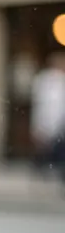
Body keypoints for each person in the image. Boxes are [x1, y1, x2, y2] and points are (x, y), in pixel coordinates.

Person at [30, 52, 65, 180]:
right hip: (47, 119)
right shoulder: (44, 80)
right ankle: (43, 169)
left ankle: (55, 169)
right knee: (45, 147)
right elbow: (41, 103)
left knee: (57, 147)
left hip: (58, 120)